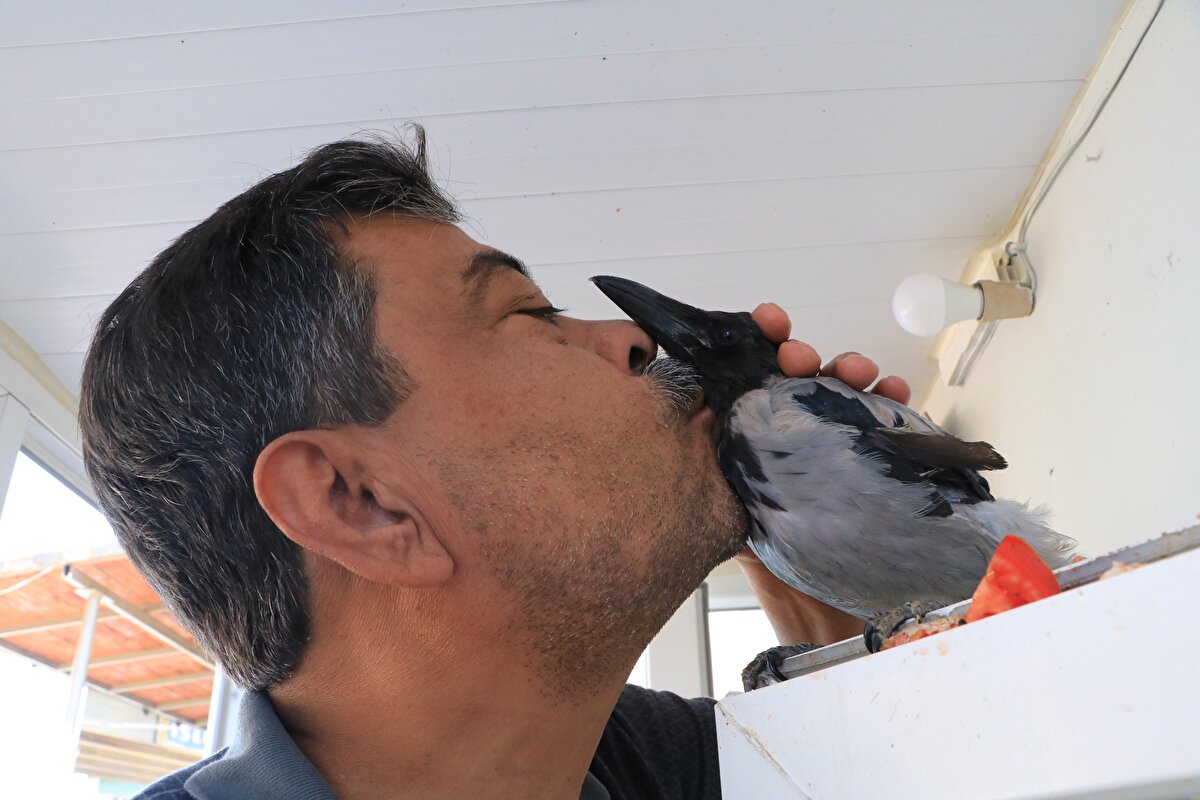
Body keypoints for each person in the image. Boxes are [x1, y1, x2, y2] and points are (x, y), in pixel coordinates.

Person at [79, 129, 910, 800]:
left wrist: (823, 559)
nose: (631, 339)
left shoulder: (672, 766)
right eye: (528, 313)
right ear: (361, 502)